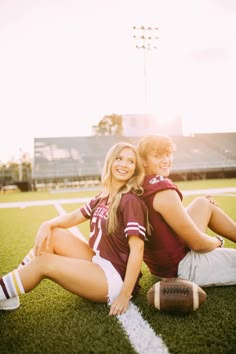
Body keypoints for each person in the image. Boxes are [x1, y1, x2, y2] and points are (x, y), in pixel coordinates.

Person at [0, 142, 150, 316]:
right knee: (54, 234)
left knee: (44, 263)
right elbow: (72, 217)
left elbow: (137, 250)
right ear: (110, 162)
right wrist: (46, 224)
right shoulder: (104, 196)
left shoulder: (130, 201)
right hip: (99, 261)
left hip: (115, 277)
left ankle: (4, 290)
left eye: (131, 161)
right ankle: (8, 292)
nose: (124, 164)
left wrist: (124, 295)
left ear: (135, 168)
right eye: (119, 158)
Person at [137, 134, 236, 287]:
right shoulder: (163, 190)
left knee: (202, 203)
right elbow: (198, 245)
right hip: (182, 267)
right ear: (143, 161)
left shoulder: (138, 185)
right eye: (157, 156)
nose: (165, 160)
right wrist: (218, 241)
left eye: (168, 154)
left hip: (159, 267)